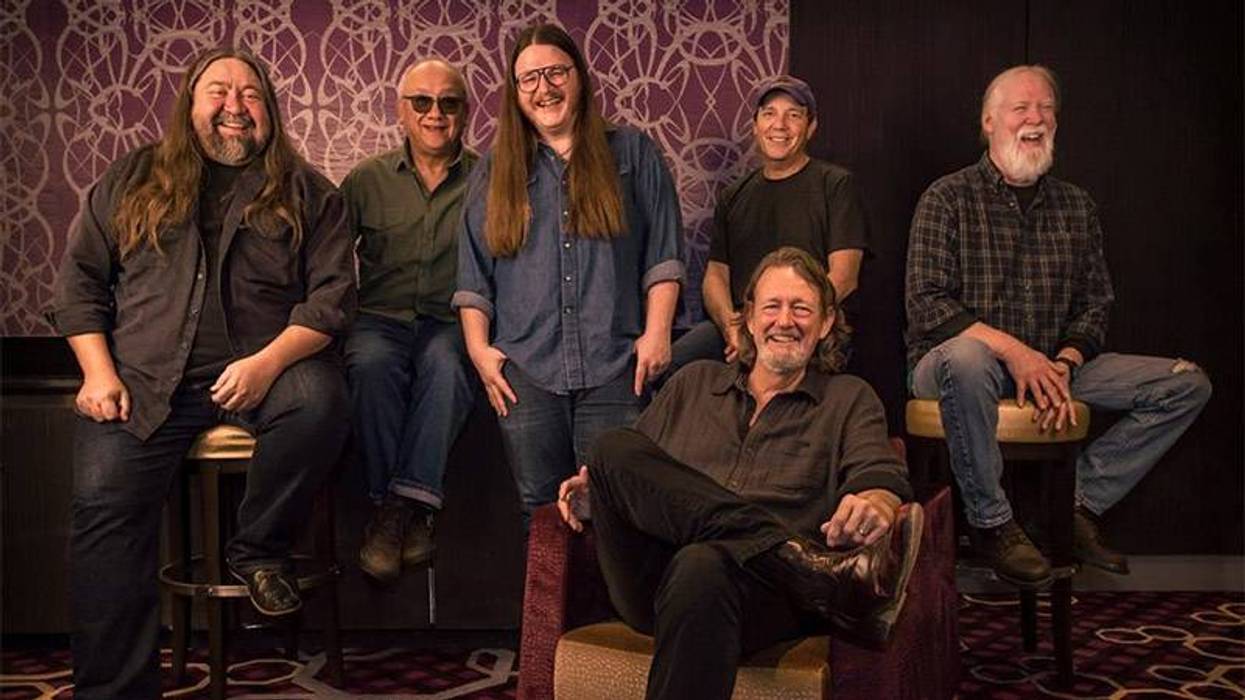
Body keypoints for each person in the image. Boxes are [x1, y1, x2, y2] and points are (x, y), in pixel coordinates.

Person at [48, 47, 355, 698]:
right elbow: (79, 282)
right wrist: (97, 374)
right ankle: (114, 690)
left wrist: (267, 361)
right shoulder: (132, 178)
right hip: (142, 379)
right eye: (219, 91)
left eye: (251, 95)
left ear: (269, 113)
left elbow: (330, 301)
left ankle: (257, 546)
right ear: (189, 104)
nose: (235, 107)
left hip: (267, 373)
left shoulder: (310, 193)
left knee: (322, 399)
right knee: (103, 513)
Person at [556, 247, 922, 700]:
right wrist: (600, 490)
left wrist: (876, 503)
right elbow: (639, 473)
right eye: (771, 306)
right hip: (655, 578)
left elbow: (880, 474)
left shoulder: (848, 398)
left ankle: (785, 564)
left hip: (766, 594)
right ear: (748, 319)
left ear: (826, 323)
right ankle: (804, 565)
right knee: (611, 446)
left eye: (801, 308)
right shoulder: (692, 383)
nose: (784, 321)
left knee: (702, 563)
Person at [905, 64, 1212, 587]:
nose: (1036, 118)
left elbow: (1096, 303)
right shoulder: (946, 197)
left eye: (1046, 108)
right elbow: (927, 305)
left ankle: (1073, 505)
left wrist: (1065, 362)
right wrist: (1016, 354)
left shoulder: (1076, 205)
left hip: (1053, 364)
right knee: (968, 356)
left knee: (1185, 384)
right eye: (1021, 108)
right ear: (988, 121)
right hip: (955, 370)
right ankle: (992, 522)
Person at [454, 23, 684, 518]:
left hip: (618, 364)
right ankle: (547, 602)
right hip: (526, 373)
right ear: (515, 94)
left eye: (555, 71)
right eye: (529, 78)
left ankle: (610, 602)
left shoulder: (633, 153)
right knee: (541, 515)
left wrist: (658, 332)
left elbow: (664, 255)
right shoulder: (494, 171)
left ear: (578, 76)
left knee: (615, 509)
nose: (544, 88)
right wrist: (479, 351)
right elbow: (473, 276)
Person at [341, 58, 478, 583]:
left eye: (448, 102)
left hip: (452, 320)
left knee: (447, 364)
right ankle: (409, 510)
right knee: (370, 364)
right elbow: (329, 260)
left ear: (465, 113)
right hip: (379, 319)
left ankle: (395, 509)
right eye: (421, 101)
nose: (435, 113)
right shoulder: (365, 180)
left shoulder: (488, 179)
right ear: (401, 111)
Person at [670, 75, 868, 371]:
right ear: (755, 126)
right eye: (769, 114)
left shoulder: (835, 185)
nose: (780, 125)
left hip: (804, 327)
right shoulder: (733, 196)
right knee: (671, 366)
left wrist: (785, 323)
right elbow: (715, 277)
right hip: (744, 325)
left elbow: (844, 276)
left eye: (794, 115)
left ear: (811, 127)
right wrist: (733, 327)